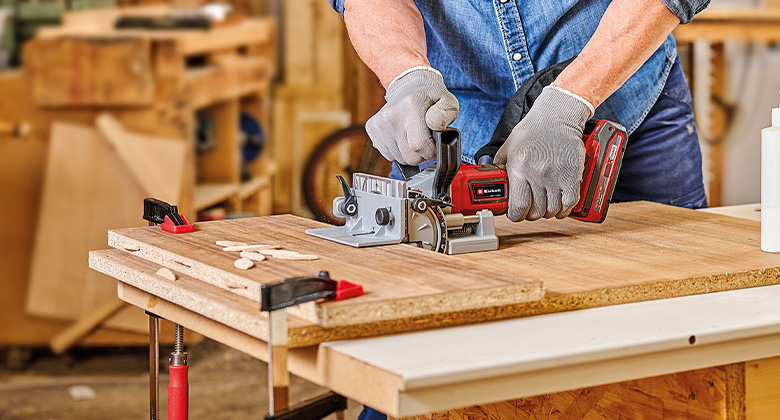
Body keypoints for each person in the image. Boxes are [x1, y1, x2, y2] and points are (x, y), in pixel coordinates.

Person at [329, 0, 709, 227]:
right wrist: (404, 74)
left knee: (677, 310)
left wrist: (568, 103)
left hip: (620, 116)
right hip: (451, 134)